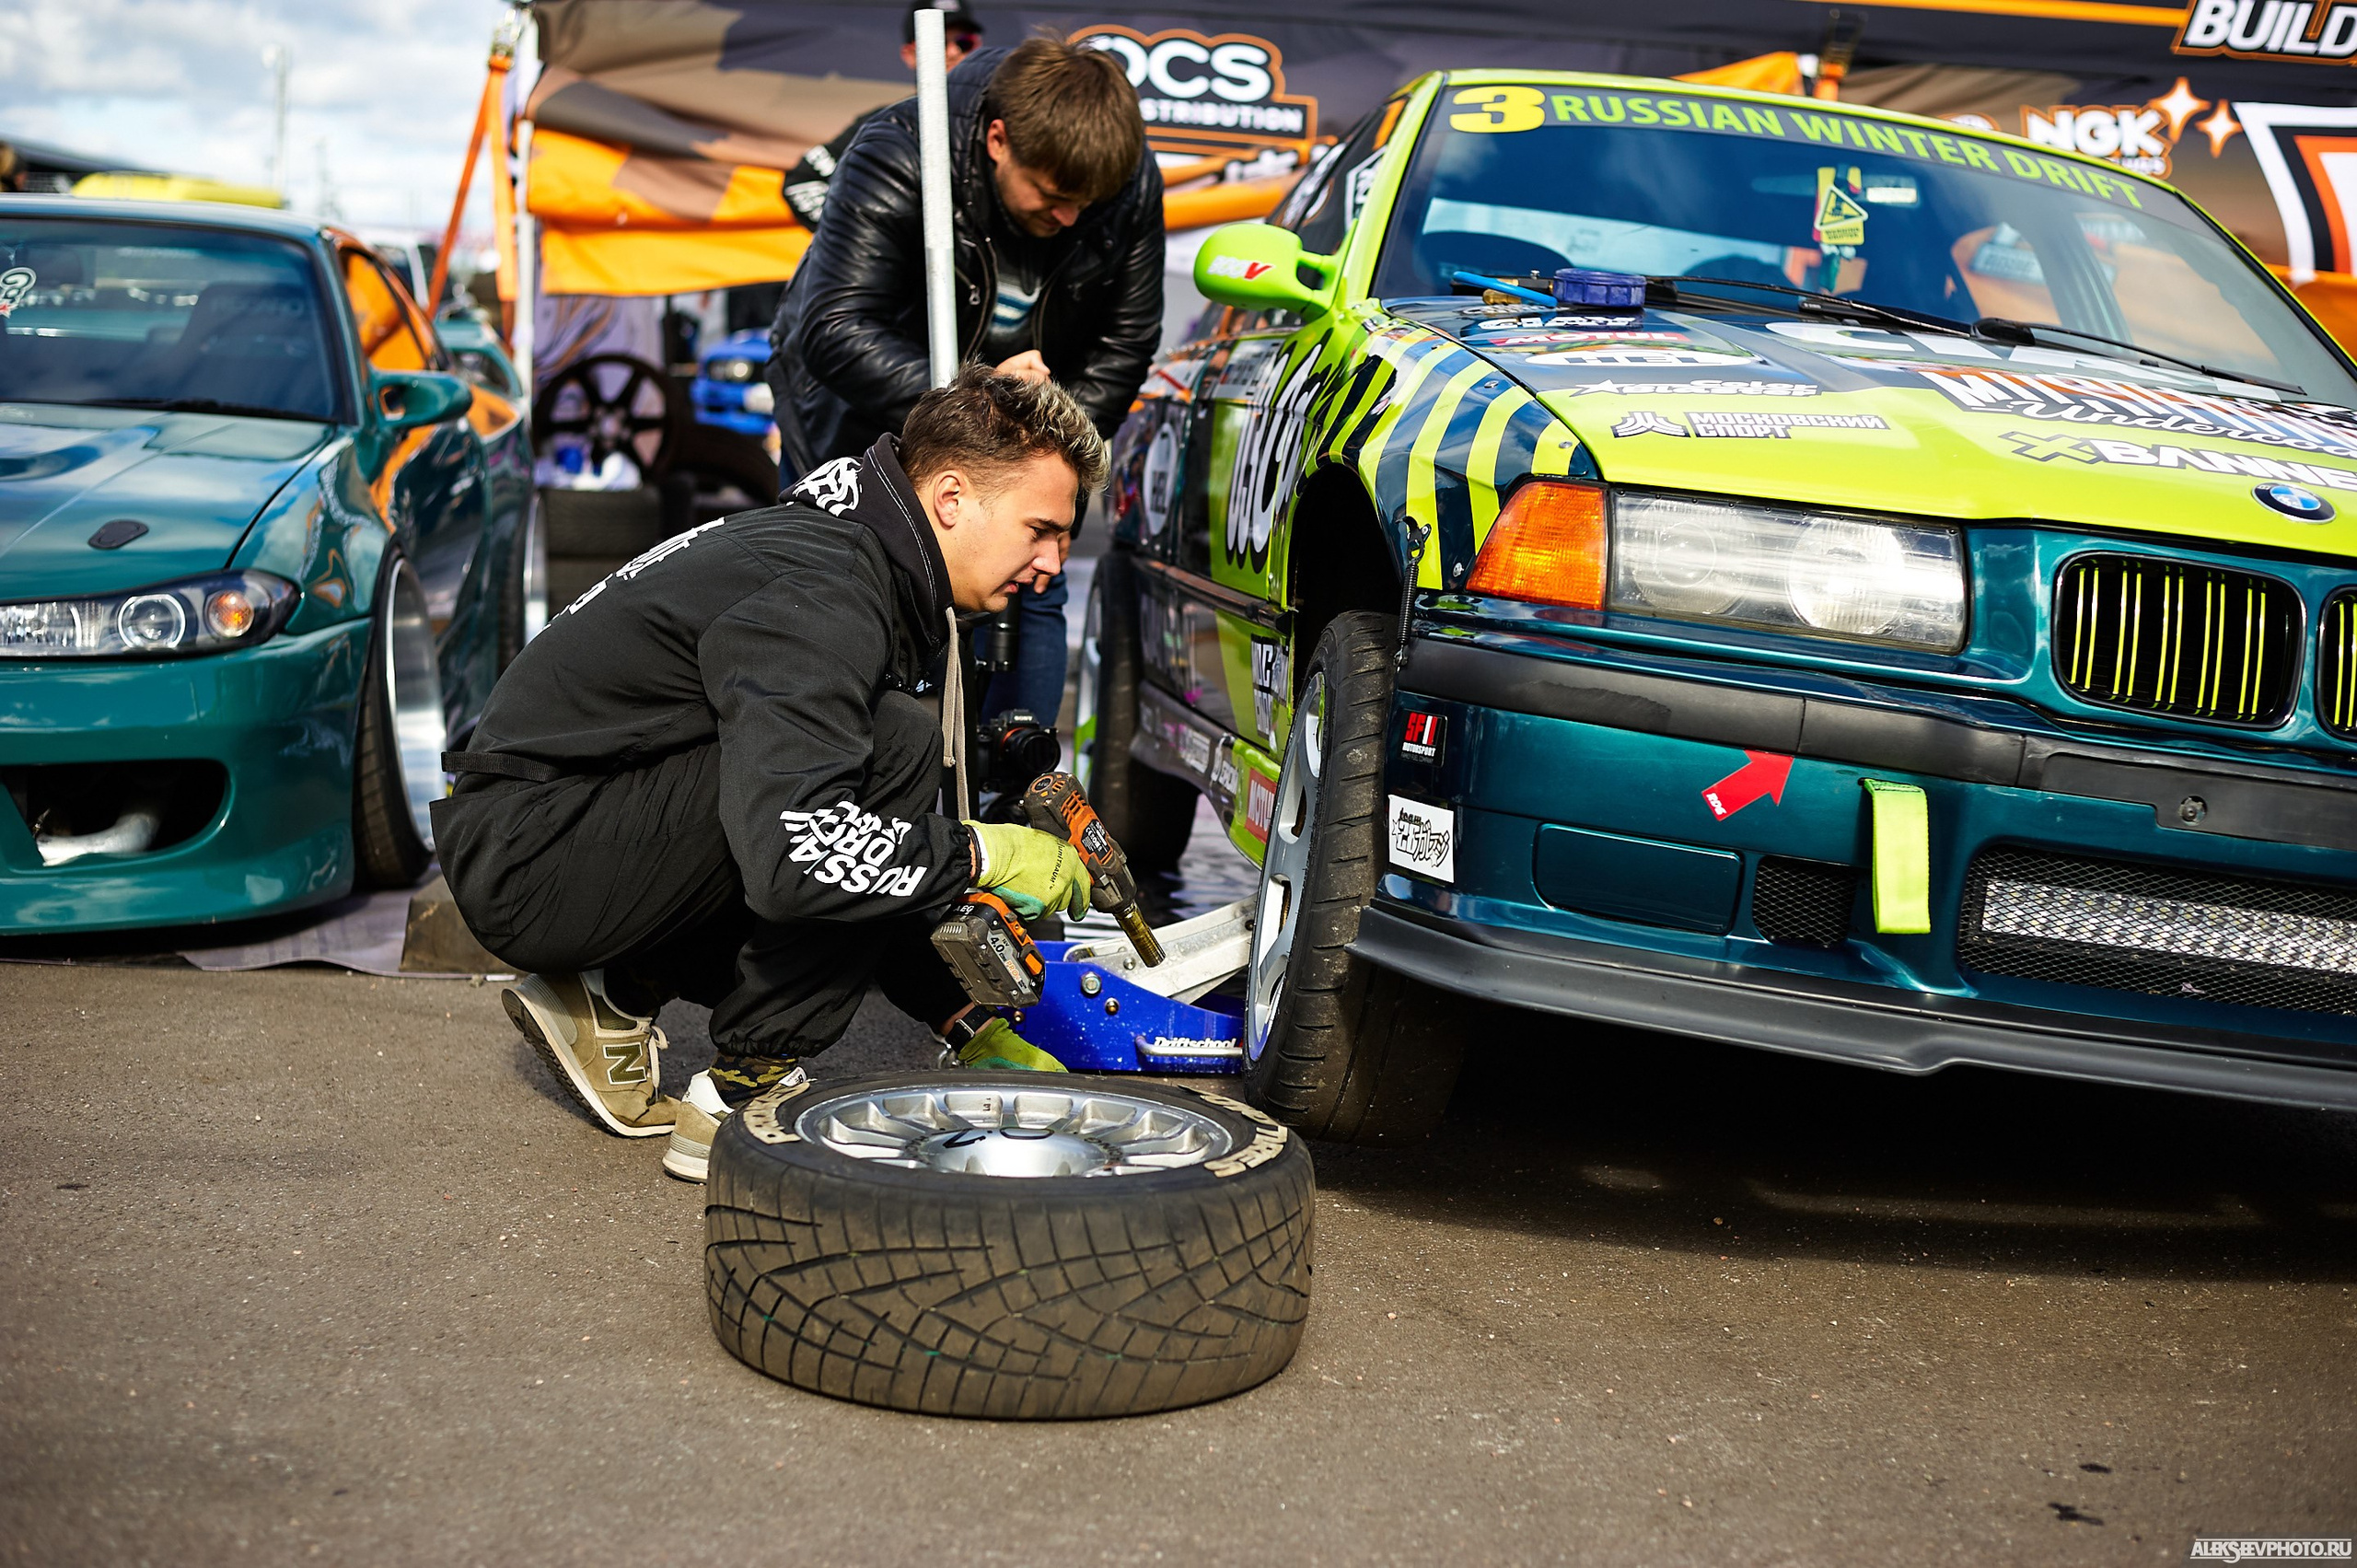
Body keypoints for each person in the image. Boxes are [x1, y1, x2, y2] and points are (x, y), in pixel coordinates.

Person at [432, 369, 1104, 1179]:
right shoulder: (827, 591)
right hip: (531, 853)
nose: (1053, 562)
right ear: (953, 497)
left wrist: (961, 1017)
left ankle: (614, 991)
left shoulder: (849, 540)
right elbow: (804, 856)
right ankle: (744, 1089)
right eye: (1042, 529)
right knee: (884, 758)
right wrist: (983, 853)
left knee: (866, 768)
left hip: (549, 820)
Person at [770, 33, 1164, 731]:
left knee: (1034, 576)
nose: (1072, 217)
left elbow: (1123, 342)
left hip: (1022, 433)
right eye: (1054, 195)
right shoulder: (899, 150)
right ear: (998, 140)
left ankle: (1014, 797)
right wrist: (983, 407)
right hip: (863, 421)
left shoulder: (1126, 183)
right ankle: (834, 779)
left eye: (1088, 202)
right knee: (849, 594)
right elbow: (834, 329)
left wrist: (1050, 456)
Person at [777, 0, 986, 234]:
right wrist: (863, 235)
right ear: (909, 55)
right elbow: (803, 183)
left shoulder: (1003, 117)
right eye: (937, 41)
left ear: (978, 47)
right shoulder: (887, 123)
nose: (953, 51)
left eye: (964, 42)